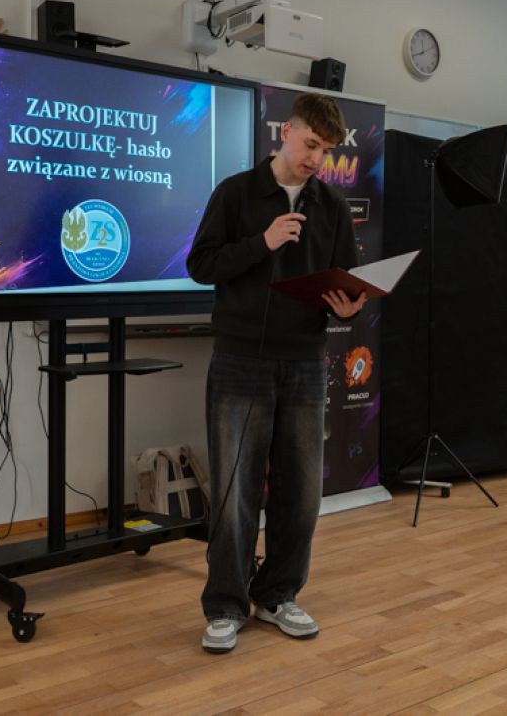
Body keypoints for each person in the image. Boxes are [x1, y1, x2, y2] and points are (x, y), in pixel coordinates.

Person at [186, 92, 367, 654]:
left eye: (326, 150)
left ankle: (278, 595)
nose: (317, 158)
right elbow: (201, 265)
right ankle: (225, 604)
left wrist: (348, 307)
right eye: (311, 144)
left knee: (302, 494)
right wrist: (261, 243)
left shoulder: (332, 207)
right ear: (285, 132)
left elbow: (345, 279)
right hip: (240, 361)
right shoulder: (236, 193)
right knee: (234, 492)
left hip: (306, 362)